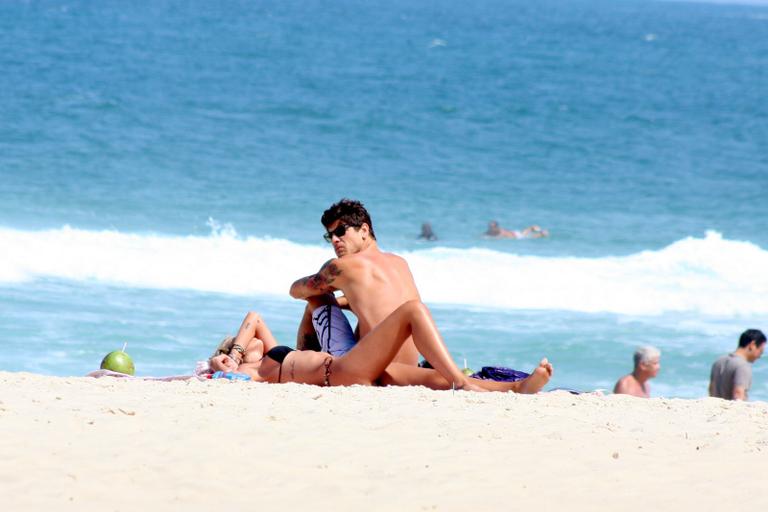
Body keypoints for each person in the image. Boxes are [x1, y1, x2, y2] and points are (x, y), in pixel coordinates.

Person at [209, 302, 553, 393]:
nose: (255, 340)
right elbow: (226, 380)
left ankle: (516, 387)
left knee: (434, 379)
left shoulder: (267, 353)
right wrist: (225, 364)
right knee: (411, 311)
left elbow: (254, 317)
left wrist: (235, 350)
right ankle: (465, 383)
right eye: (242, 343)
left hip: (351, 370)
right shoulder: (251, 376)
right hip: (340, 372)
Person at [290, 199, 422, 366]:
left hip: (372, 369)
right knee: (364, 316)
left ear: (364, 230)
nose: (335, 240)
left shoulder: (343, 266)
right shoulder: (400, 262)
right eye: (329, 236)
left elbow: (295, 291)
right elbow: (375, 303)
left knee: (318, 298)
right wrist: (343, 302)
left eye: (340, 231)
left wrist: (327, 295)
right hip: (408, 368)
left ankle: (304, 364)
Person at [709, 329, 766, 401]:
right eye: (761, 351)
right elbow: (738, 394)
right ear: (752, 345)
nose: (760, 356)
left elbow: (711, 390)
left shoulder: (718, 361)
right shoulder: (742, 365)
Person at [484, 220, 548, 239]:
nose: (490, 228)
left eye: (492, 227)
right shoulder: (490, 231)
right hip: (515, 233)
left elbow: (501, 235)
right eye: (490, 226)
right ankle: (541, 232)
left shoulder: (500, 230)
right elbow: (485, 234)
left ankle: (542, 232)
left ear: (496, 227)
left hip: (517, 235)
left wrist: (496, 238)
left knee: (532, 233)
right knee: (530, 230)